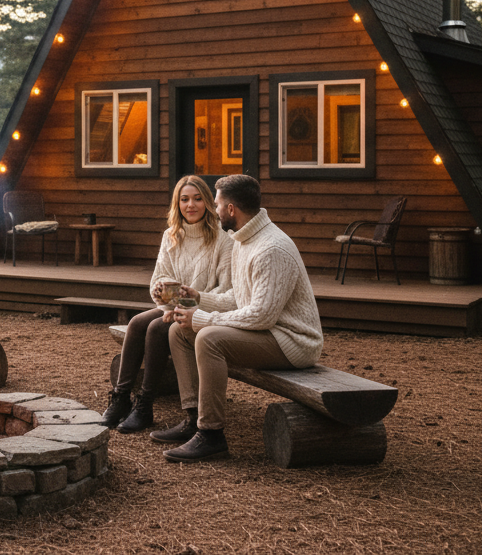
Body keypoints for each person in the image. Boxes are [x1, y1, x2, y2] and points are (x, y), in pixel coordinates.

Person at [153, 174, 324, 462]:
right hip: (266, 331)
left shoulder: (270, 248)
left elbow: (262, 315)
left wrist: (204, 319)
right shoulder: (244, 240)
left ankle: (212, 435)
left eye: (217, 204)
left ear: (231, 209)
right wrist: (194, 300)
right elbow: (237, 299)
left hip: (292, 341)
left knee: (208, 338)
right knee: (179, 331)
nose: (214, 209)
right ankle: (194, 418)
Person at [101, 175, 232, 433]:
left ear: (207, 201)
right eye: (184, 199)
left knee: (156, 328)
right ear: (177, 203)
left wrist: (186, 304)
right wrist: (165, 295)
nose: (190, 205)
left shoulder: (222, 239)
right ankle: (120, 398)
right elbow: (159, 278)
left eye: (196, 199)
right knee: (137, 322)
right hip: (174, 305)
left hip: (203, 310)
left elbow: (225, 289)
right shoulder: (171, 235)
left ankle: (145, 405)